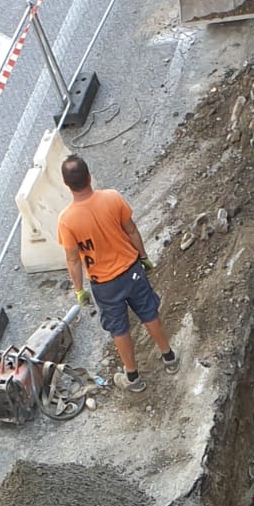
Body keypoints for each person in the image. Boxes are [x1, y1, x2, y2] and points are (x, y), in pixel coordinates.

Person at [57, 154, 177, 394]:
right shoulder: (112, 198)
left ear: (66, 185)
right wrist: (143, 257)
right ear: (89, 177)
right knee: (148, 312)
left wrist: (80, 290)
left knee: (119, 328)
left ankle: (132, 376)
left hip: (104, 285)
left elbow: (72, 260)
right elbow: (131, 230)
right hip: (132, 271)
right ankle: (169, 357)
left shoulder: (67, 221)